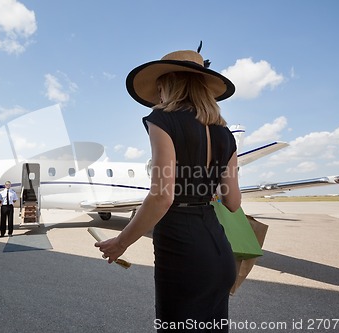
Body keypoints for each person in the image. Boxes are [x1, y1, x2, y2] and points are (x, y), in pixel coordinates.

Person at [95, 44, 241, 332]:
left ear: (169, 86)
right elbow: (233, 202)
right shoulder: (226, 134)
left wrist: (120, 243)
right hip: (219, 252)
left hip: (183, 252)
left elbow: (162, 195)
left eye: (160, 88)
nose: (157, 96)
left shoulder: (162, 119)